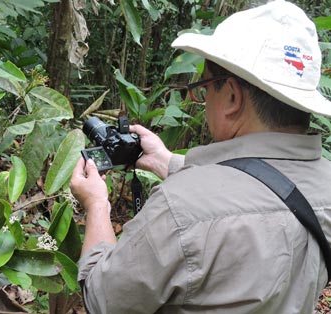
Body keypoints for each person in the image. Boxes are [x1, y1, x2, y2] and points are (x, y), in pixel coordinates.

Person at [70, 1, 331, 313]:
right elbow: (263, 192)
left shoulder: (180, 209)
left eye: (204, 87)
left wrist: (97, 204)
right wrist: (166, 162)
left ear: (232, 97)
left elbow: (102, 299)